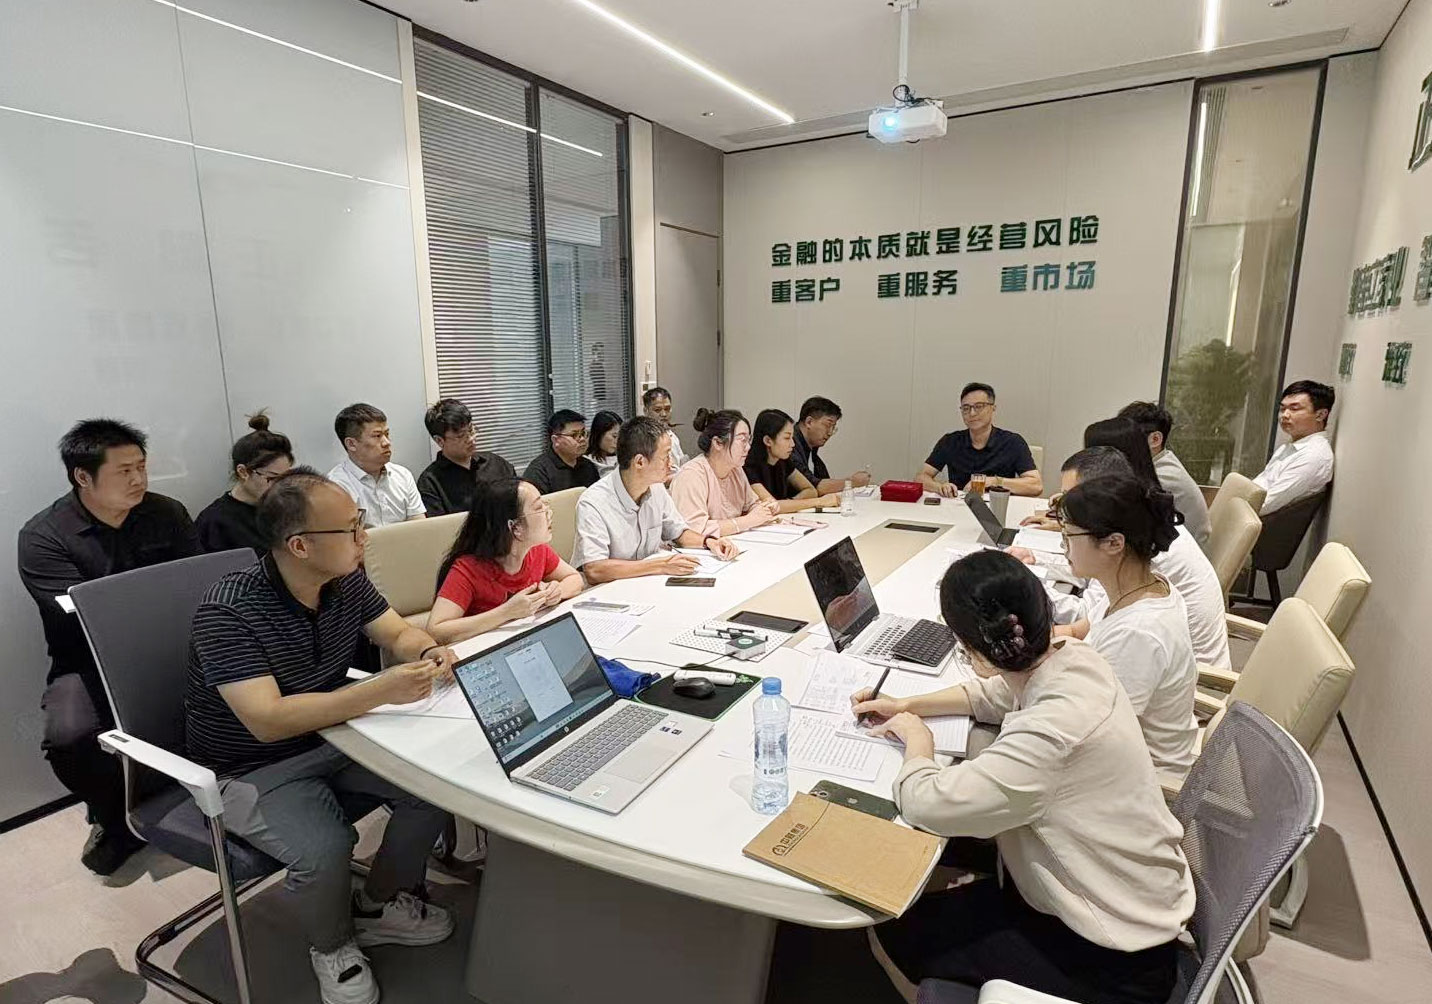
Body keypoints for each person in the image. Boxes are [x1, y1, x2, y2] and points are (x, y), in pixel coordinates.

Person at [851, 550, 1192, 1003]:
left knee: (892, 928)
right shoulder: (1075, 657)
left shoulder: (1046, 739)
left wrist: (918, 741)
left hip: (1108, 957)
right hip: (1129, 897)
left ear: (972, 650)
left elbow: (925, 803)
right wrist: (909, 705)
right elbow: (996, 693)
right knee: (950, 867)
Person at [185, 469, 457, 1002]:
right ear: (300, 545)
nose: (364, 537)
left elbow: (396, 631)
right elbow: (267, 720)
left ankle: (376, 905)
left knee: (435, 790)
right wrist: (379, 692)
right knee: (326, 848)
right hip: (252, 766)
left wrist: (426, 650)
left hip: (333, 735)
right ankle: (331, 946)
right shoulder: (229, 610)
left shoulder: (344, 580)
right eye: (351, 529)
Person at [18, 419, 200, 875]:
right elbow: (79, 618)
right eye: (124, 471)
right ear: (83, 476)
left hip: (170, 644)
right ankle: (113, 818)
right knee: (69, 736)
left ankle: (197, 794)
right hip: (88, 660)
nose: (139, 479)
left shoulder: (166, 513)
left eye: (142, 467)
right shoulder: (45, 536)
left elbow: (195, 585)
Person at [1058, 473, 1199, 783]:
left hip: (1134, 783)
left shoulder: (1138, 634)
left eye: (1068, 536)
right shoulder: (1139, 588)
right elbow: (1081, 633)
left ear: (1114, 543)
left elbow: (1090, 738)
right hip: (1113, 754)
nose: (1064, 547)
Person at [1077, 423, 1232, 670]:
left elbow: (1087, 613)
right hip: (1167, 661)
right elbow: (1090, 618)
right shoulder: (1150, 516)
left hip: (1197, 677)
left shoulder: (1140, 542)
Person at [572, 416, 740, 583]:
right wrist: (660, 566)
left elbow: (679, 532)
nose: (671, 464)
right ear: (640, 462)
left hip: (646, 582)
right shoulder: (594, 503)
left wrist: (709, 542)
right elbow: (595, 569)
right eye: (666, 457)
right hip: (609, 589)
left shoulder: (655, 487)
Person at [427, 479, 585, 644]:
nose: (549, 513)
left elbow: (575, 578)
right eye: (539, 508)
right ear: (515, 527)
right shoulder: (468, 569)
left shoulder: (537, 550)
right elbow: (437, 631)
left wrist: (557, 592)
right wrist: (507, 612)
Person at [668, 409, 780, 537]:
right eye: (742, 440)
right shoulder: (691, 475)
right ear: (718, 443)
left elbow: (751, 505)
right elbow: (694, 529)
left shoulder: (736, 470)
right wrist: (748, 521)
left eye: (749, 440)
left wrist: (766, 508)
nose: (748, 447)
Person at [918, 383, 1042, 497]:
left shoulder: (1012, 442)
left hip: (998, 507)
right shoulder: (950, 441)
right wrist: (939, 487)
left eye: (978, 407)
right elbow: (921, 477)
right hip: (959, 506)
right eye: (966, 408)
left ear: (993, 408)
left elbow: (1036, 486)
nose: (972, 413)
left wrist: (993, 481)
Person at [196, 411, 295, 554]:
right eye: (271, 478)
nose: (280, 486)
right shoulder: (214, 523)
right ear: (243, 472)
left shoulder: (290, 508)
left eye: (285, 478)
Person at [1116, 401, 1211, 549]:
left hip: (1179, 554)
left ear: (1155, 439)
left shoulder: (1162, 478)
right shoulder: (1159, 463)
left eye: (1127, 437)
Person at [327, 403, 424, 528]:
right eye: (377, 436)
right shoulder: (336, 486)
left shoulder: (403, 475)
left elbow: (420, 526)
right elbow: (343, 537)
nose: (386, 443)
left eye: (387, 434)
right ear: (351, 444)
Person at [417, 398, 516, 517]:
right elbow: (439, 526)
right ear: (439, 440)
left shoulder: (496, 463)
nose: (471, 439)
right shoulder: (430, 482)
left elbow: (520, 503)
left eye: (471, 430)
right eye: (461, 436)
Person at [1252, 379, 1335, 515]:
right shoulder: (1293, 446)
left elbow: (1263, 505)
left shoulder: (1313, 456)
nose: (1285, 415)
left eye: (1294, 409)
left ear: (1320, 415)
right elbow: (1257, 487)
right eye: (1282, 409)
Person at [744, 409, 841, 513]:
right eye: (787, 438)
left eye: (792, 438)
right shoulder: (748, 466)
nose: (793, 444)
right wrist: (820, 502)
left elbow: (810, 490)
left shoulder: (783, 461)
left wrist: (790, 503)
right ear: (768, 440)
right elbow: (771, 506)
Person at [791, 397, 871, 495]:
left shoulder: (812, 451)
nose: (830, 432)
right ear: (809, 422)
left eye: (833, 428)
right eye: (828, 425)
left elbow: (823, 482)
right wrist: (852, 482)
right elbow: (815, 487)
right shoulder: (790, 447)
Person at [522, 409, 600, 494]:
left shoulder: (588, 465)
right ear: (556, 440)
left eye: (583, 433)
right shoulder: (539, 471)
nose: (582, 439)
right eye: (574, 435)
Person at [642, 386, 686, 470]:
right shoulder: (642, 439)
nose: (664, 414)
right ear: (646, 411)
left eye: (667, 409)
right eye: (657, 410)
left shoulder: (672, 436)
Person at [586, 410, 623, 478]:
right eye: (614, 436)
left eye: (620, 437)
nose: (617, 441)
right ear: (599, 434)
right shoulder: (587, 462)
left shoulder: (622, 458)